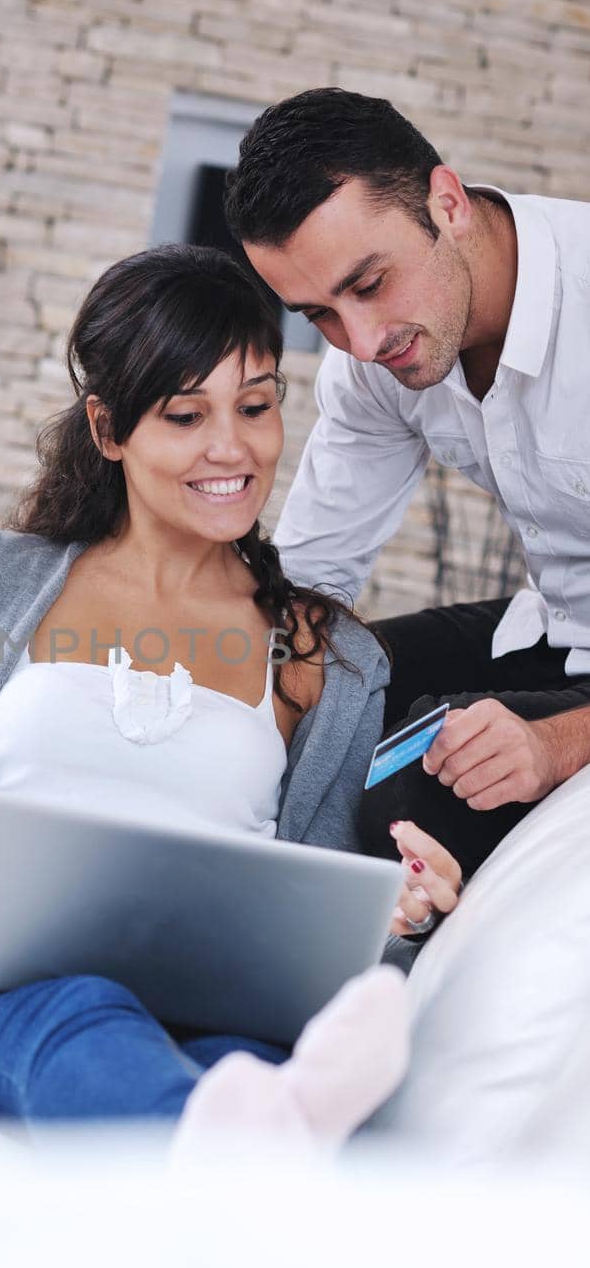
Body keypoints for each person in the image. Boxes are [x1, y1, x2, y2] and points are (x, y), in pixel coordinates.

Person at [0, 245, 458, 1152]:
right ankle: (237, 1145)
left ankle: (240, 1135)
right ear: (109, 427)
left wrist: (396, 920)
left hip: (208, 1017)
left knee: (243, 1057)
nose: (231, 448)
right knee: (84, 1012)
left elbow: (312, 910)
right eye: (183, 415)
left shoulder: (330, 656)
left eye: (254, 406)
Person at [225, 87, 590, 885]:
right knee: (327, 690)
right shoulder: (375, 361)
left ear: (447, 203)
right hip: (557, 627)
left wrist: (556, 744)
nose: (358, 340)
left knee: (407, 796)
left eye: (368, 283)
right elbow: (308, 584)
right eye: (316, 313)